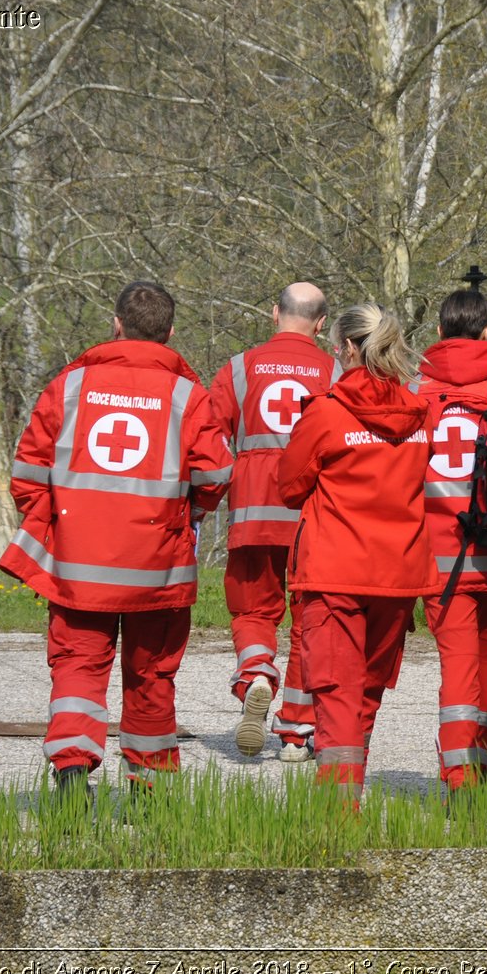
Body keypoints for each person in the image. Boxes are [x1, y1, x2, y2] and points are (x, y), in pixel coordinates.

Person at [0, 281, 232, 792]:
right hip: (158, 568)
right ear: (170, 333)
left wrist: (58, 524)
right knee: (152, 676)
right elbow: (214, 477)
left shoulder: (69, 387)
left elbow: (28, 474)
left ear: (116, 324)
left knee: (77, 667)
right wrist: (186, 518)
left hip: (78, 566)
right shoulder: (188, 397)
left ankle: (72, 768)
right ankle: (150, 788)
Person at [277, 301, 437, 799]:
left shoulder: (326, 412)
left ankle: (338, 806)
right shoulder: (419, 415)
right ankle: (349, 787)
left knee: (336, 694)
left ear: (347, 347)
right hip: (398, 571)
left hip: (335, 571)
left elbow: (289, 486)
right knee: (366, 692)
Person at [207, 282, 341, 760]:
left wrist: (208, 500)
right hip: (313, 513)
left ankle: (257, 672)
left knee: (252, 610)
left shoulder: (239, 369)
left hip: (251, 510)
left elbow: (210, 441)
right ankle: (297, 732)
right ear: (322, 323)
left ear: (273, 313)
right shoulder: (336, 369)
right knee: (310, 621)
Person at [413, 290, 487, 796]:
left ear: (440, 332)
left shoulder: (413, 389)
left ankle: (459, 779)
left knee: (457, 672)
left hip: (439, 559)